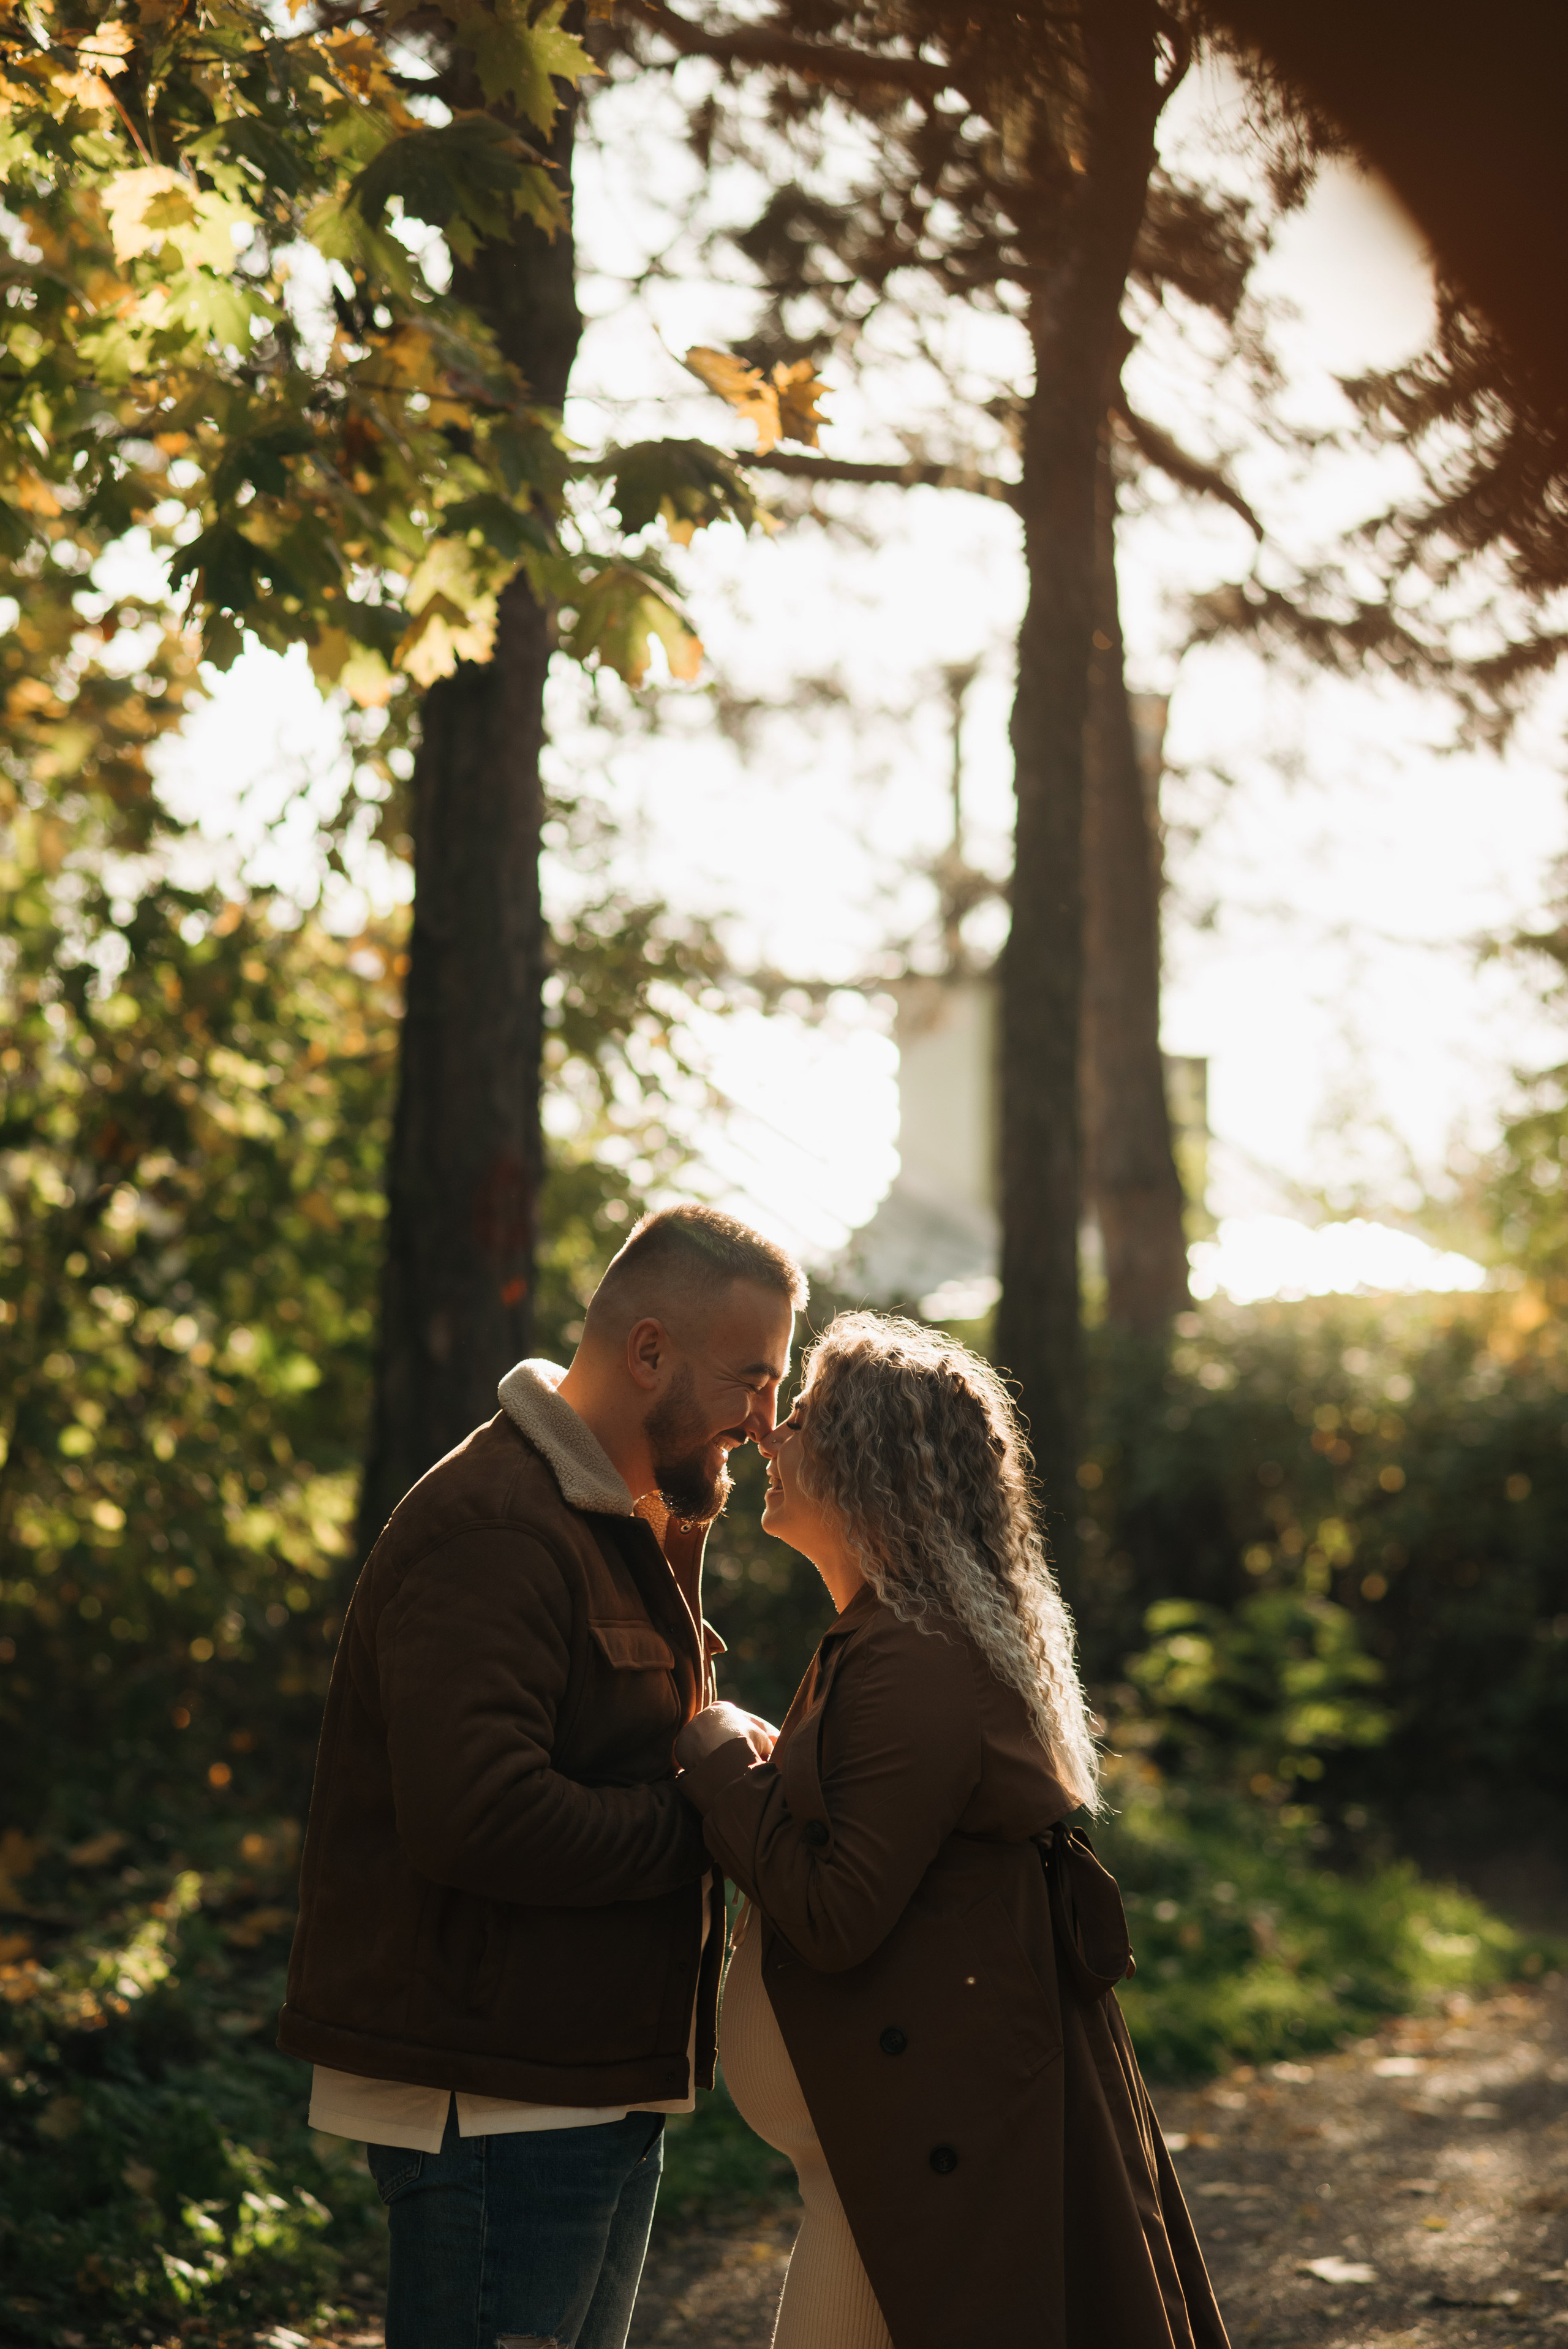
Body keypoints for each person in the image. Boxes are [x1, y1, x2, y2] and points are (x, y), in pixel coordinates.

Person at [278, 1204, 804, 2349]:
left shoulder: (625, 1517)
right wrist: (708, 1812)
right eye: (753, 1382)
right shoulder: (499, 1527)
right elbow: (482, 1819)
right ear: (649, 1349)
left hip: (583, 2080)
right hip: (500, 2100)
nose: (766, 1424)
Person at [676, 1311, 1230, 2349]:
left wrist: (716, 1769)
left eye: (798, 1416)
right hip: (881, 2155)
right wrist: (756, 1759)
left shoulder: (914, 1658)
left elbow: (839, 1912)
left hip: (913, 2156)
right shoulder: (891, 1636)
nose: (767, 1435)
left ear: (866, 1460)